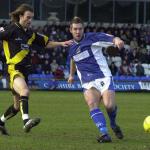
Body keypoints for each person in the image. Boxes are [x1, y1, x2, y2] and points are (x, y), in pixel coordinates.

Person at [0, 4, 72, 135]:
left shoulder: (30, 34)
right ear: (20, 16)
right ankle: (26, 122)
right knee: (25, 91)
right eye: (28, 17)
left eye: (31, 18)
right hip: (13, 69)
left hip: (25, 71)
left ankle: (1, 122)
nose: (30, 20)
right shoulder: (10, 29)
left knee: (16, 107)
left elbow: (46, 43)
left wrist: (62, 43)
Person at [68, 17, 124, 143]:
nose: (78, 31)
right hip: (88, 82)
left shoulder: (93, 37)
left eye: (80, 29)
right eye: (75, 29)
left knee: (109, 106)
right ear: (71, 30)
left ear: (83, 29)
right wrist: (71, 75)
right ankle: (104, 133)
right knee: (92, 104)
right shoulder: (70, 46)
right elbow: (73, 59)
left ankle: (113, 124)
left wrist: (118, 40)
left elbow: (110, 38)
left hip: (103, 76)